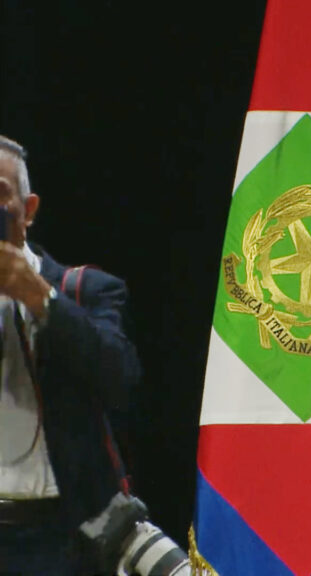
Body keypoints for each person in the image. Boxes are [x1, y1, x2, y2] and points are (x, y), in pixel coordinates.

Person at [0, 135, 142, 575]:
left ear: (30, 209)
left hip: (55, 539)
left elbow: (120, 380)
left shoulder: (84, 291)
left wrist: (43, 301)